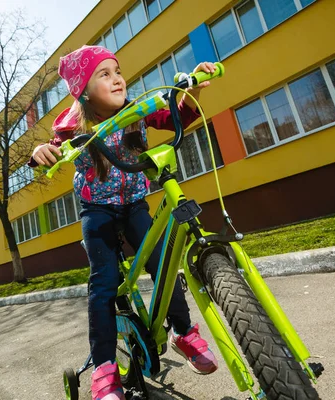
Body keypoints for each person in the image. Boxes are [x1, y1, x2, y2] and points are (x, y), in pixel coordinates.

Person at [29, 45, 218, 400]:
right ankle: (104, 368)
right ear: (83, 90)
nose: (117, 79)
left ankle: (183, 332)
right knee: (104, 283)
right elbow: (50, 148)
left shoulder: (136, 111)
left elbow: (176, 117)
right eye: (104, 74)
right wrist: (41, 151)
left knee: (162, 263)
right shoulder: (72, 125)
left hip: (133, 204)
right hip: (97, 210)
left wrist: (191, 92)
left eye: (117, 71)